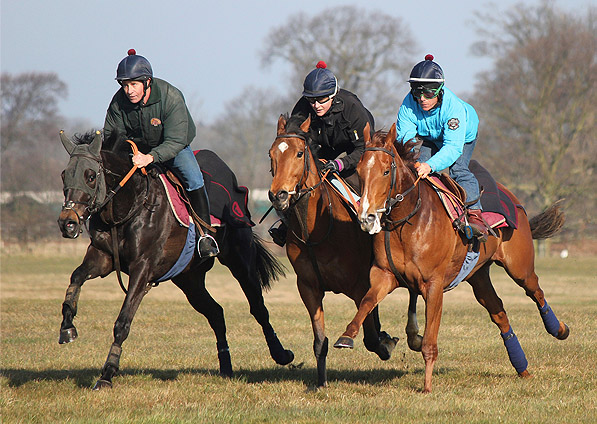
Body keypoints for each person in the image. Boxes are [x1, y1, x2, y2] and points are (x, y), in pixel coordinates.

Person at [103, 49, 219, 257]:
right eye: (125, 85)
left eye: (134, 84)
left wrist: (151, 157)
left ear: (147, 82)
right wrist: (129, 155)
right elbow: (112, 137)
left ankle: (205, 235)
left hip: (174, 147)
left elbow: (176, 140)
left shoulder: (170, 96)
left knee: (193, 178)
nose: (129, 91)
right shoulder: (118, 102)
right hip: (137, 152)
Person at [269, 60, 374, 246]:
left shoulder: (352, 108)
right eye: (312, 100)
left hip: (354, 149)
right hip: (320, 149)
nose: (316, 105)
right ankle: (287, 224)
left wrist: (340, 164)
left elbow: (363, 149)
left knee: (364, 183)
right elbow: (294, 143)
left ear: (333, 95)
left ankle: (370, 222)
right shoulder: (302, 108)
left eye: (322, 99)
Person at [396, 54, 488, 241]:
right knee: (414, 168)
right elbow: (405, 139)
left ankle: (475, 215)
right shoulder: (408, 104)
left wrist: (430, 166)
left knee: (458, 170)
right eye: (417, 93)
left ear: (439, 90)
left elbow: (452, 148)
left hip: (461, 137)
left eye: (428, 93)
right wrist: (412, 161)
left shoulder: (453, 108)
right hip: (430, 136)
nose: (422, 99)